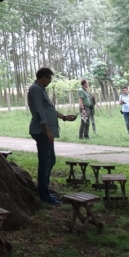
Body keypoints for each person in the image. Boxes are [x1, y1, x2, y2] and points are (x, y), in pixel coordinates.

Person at [28, 68, 76, 205]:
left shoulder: (40, 89)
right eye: (49, 78)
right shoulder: (36, 89)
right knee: (45, 163)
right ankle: (44, 195)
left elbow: (49, 109)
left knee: (51, 160)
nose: (50, 81)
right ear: (43, 77)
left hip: (45, 132)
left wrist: (64, 117)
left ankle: (45, 191)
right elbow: (39, 111)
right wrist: (47, 130)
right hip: (41, 131)